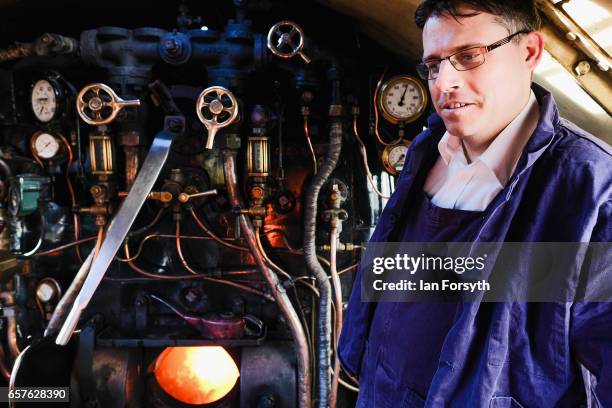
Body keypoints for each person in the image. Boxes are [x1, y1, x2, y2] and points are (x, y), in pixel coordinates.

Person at [338, 1, 612, 406]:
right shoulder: (426, 151)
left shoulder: (589, 188)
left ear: (530, 52)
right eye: (433, 65)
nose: (443, 82)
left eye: (468, 56)